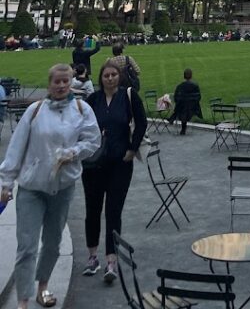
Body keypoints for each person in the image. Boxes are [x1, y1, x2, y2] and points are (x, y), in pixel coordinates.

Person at [0, 64, 100, 309]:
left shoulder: (81, 109)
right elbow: (16, 147)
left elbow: (93, 141)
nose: (61, 85)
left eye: (66, 81)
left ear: (71, 84)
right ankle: (23, 298)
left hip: (62, 187)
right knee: (27, 245)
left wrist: (73, 152)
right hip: (31, 188)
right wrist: (6, 182)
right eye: (57, 81)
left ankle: (42, 286)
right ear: (49, 84)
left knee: (53, 243)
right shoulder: (35, 111)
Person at [81, 58, 147, 284]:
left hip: (120, 163)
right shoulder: (92, 100)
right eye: (106, 75)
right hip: (94, 165)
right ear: (101, 78)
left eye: (113, 75)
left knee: (113, 212)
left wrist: (132, 148)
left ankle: (111, 259)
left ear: (119, 76)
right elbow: (79, 125)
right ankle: (92, 256)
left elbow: (141, 122)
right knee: (92, 210)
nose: (109, 78)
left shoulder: (128, 97)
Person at [169, 68, 202, 136]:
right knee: (185, 107)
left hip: (182, 107)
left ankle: (174, 119)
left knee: (182, 108)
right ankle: (175, 120)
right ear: (191, 76)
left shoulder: (180, 86)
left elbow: (176, 97)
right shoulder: (195, 85)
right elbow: (198, 97)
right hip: (192, 107)